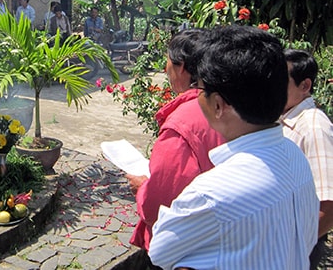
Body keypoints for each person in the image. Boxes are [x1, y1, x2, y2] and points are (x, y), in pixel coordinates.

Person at [149, 25, 319, 270]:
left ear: (218, 105)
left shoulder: (211, 194)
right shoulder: (295, 156)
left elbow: (160, 252)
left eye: (200, 88)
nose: (197, 95)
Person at [126, 28, 224, 269]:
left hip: (184, 252)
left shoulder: (183, 123)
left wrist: (142, 189)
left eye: (167, 61)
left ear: (181, 67)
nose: (164, 69)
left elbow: (158, 206)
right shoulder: (227, 107)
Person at [280, 49, 333, 269]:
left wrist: (295, 245)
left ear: (305, 86)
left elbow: (328, 204)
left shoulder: (312, 126)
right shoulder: (288, 121)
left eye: (281, 81)